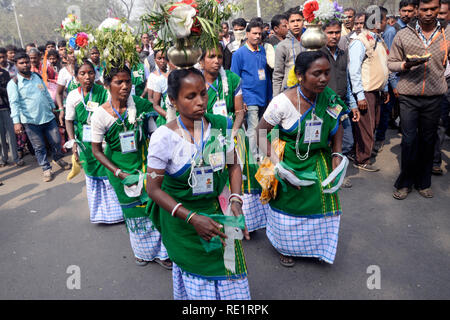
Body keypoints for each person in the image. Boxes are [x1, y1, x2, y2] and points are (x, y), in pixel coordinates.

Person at [146, 67, 251, 300]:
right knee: (198, 278)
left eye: (203, 93)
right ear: (172, 100)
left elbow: (234, 165)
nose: (200, 102)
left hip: (216, 214)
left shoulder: (220, 125)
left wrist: (235, 200)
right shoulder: (163, 138)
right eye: (190, 96)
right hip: (182, 221)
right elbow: (152, 189)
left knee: (229, 269)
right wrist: (192, 218)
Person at [256, 51, 349, 267]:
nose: (324, 79)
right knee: (289, 206)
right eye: (317, 74)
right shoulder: (281, 103)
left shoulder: (330, 99)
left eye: (327, 73)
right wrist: (277, 166)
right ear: (300, 75)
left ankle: (317, 248)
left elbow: (338, 127)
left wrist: (336, 153)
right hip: (288, 161)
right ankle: (286, 248)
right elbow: (259, 134)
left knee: (320, 204)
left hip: (318, 160)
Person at [90, 64, 170, 268]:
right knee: (135, 213)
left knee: (155, 206)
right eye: (119, 82)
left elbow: (154, 134)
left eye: (127, 81)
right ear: (107, 85)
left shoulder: (141, 105)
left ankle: (163, 253)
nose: (125, 86)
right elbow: (97, 151)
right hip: (119, 169)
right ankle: (143, 252)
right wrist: (119, 172)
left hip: (144, 164)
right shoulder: (100, 114)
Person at [388, 0, 450, 199]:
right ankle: (405, 183)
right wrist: (405, 65)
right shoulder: (403, 34)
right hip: (408, 96)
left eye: (434, 9)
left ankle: (423, 182)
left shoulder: (446, 33)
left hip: (434, 96)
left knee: (428, 140)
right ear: (417, 10)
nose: (429, 13)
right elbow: (391, 63)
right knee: (409, 140)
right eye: (424, 9)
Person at [65, 60, 123, 224]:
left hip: (104, 139)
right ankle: (100, 215)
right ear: (77, 77)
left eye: (90, 73)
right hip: (85, 142)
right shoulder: (73, 96)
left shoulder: (104, 91)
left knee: (109, 172)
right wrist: (73, 142)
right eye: (82, 73)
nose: (87, 77)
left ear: (95, 74)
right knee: (92, 174)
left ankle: (118, 212)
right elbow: (69, 120)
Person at [7, 52, 70, 182]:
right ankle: (46, 168)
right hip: (31, 122)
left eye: (27, 62)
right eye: (22, 63)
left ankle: (57, 159)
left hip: (48, 116)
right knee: (39, 146)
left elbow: (45, 92)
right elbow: (14, 104)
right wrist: (16, 122)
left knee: (56, 140)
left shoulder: (36, 76)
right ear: (16, 65)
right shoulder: (14, 83)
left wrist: (53, 107)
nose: (25, 65)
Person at [348, 8, 390, 172]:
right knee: (366, 126)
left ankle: (361, 152)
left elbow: (382, 64)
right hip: (365, 92)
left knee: (373, 124)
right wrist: (359, 96)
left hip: (376, 91)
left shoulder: (377, 39)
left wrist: (385, 87)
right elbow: (354, 71)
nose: (386, 23)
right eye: (384, 19)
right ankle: (362, 159)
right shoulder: (360, 41)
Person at [321, 20, 360, 188]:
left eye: (337, 32)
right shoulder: (318, 54)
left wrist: (353, 104)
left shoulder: (344, 53)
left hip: (341, 105)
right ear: (323, 33)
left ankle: (336, 172)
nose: (334, 36)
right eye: (330, 32)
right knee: (325, 141)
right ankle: (332, 174)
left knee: (347, 141)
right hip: (323, 106)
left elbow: (349, 81)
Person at [231, 21, 273, 161]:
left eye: (259, 33)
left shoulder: (262, 50)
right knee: (253, 128)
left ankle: (261, 156)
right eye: (254, 33)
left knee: (262, 129)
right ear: (247, 34)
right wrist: (241, 100)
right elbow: (235, 79)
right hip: (249, 97)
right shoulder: (239, 54)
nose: (257, 36)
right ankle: (253, 159)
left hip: (263, 97)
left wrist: (269, 96)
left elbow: (266, 75)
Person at [433, 0, 450, 175]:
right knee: (440, 123)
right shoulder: (433, 32)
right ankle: (434, 161)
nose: (439, 17)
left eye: (443, 14)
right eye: (438, 13)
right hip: (439, 82)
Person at [273, 6, 305, 96]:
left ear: (303, 22)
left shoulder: (310, 42)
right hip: (289, 92)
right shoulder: (282, 46)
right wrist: (275, 98)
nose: (296, 24)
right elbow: (277, 75)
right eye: (292, 21)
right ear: (287, 25)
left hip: (309, 91)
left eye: (298, 20)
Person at [0, 48, 24, 168]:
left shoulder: (4, 73)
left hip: (6, 107)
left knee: (11, 134)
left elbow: (8, 91)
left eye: (2, 57)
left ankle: (15, 158)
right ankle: (3, 159)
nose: (1, 59)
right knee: (1, 137)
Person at [146, 50, 169, 126]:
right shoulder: (153, 76)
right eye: (159, 58)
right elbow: (150, 98)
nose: (162, 61)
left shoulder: (172, 73)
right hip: (163, 111)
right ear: (155, 60)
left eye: (164, 58)